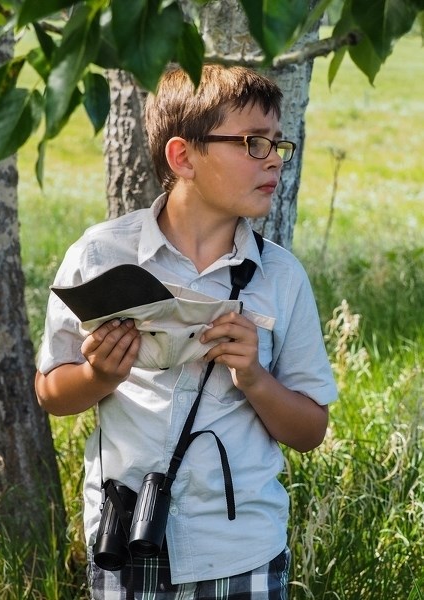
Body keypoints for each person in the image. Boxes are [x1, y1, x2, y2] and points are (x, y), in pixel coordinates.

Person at [35, 64, 338, 600]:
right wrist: (99, 374)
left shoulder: (281, 278)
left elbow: (310, 431)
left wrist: (254, 378)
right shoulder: (101, 256)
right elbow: (53, 394)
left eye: (276, 143)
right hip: (123, 539)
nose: (273, 159)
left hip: (241, 548)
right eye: (251, 142)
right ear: (182, 157)